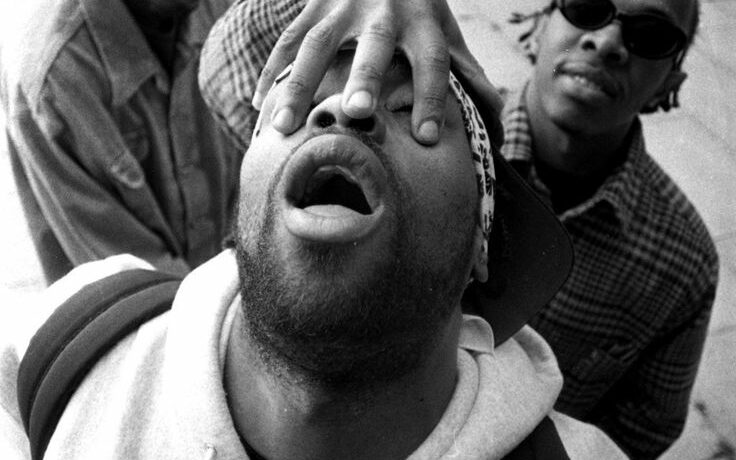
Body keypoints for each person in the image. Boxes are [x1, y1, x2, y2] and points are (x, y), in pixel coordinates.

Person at [0, 8, 629, 457]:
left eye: (415, 111)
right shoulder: (64, 349)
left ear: (480, 243)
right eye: (298, 100)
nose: (345, 107)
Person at [231, 0, 719, 457]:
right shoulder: (449, 90)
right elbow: (229, 67)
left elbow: (642, 430)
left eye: (650, 35)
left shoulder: (682, 263)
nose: (607, 41)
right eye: (586, 7)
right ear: (539, 24)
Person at [0, 0, 501, 286]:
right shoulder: (54, 81)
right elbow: (128, 281)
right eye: (312, 102)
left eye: (407, 109)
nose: (337, 114)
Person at [0, 0, 240, 283]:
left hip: (228, 285)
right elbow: (137, 285)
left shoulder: (228, 11)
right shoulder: (57, 79)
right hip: (151, 302)